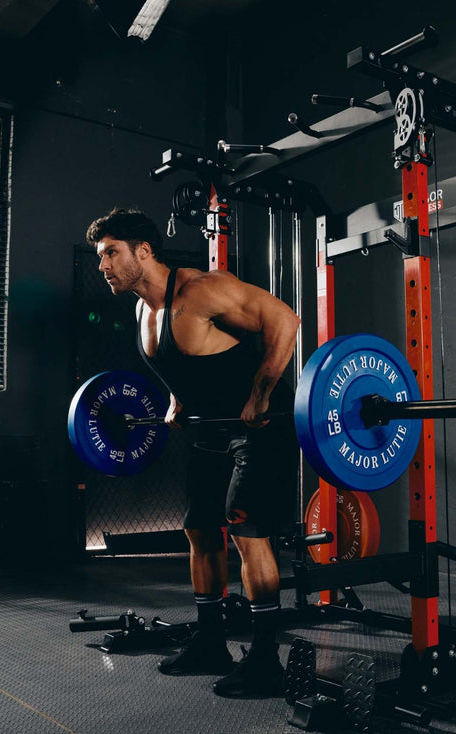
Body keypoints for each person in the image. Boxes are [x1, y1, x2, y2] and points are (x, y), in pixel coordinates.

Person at [86, 207, 301, 698]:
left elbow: (284, 320)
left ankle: (267, 659)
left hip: (258, 425)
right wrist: (177, 399)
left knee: (245, 528)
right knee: (199, 527)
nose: (104, 266)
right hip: (212, 428)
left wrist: (262, 394)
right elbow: (182, 364)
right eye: (101, 257)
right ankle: (210, 643)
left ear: (144, 250)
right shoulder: (143, 310)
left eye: (112, 253)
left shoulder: (203, 290)